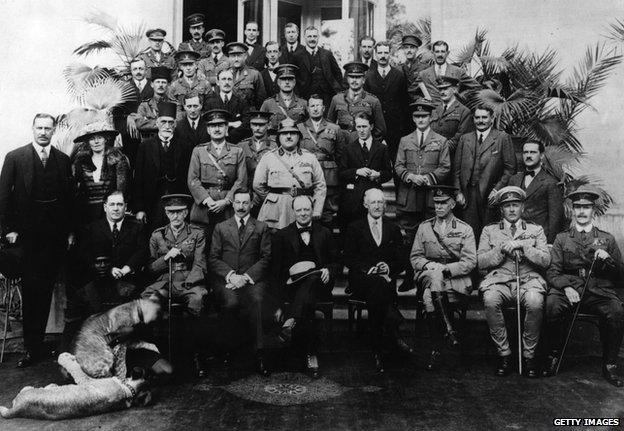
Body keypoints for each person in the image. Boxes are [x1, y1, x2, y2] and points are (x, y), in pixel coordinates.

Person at [0, 114, 75, 367]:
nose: (43, 132)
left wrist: (69, 232)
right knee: (32, 291)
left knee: (48, 291)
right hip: (27, 237)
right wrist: (8, 230)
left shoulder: (63, 160)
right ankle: (32, 348)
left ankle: (42, 344)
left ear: (54, 131)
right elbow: (3, 198)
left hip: (54, 238)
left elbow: (68, 200)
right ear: (32, 129)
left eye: (48, 128)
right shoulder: (15, 157)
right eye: (39, 128)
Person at [543, 185, 624, 386]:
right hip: (569, 287)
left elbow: (621, 276)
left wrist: (608, 260)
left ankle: (610, 365)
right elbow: (553, 271)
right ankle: (553, 356)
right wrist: (565, 287)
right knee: (552, 304)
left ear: (593, 211)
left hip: (598, 289)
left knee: (616, 311)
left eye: (586, 207)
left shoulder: (607, 238)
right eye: (577, 207)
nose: (581, 211)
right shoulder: (562, 238)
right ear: (572, 210)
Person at [477, 186, 550, 378]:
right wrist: (501, 250)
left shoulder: (536, 230)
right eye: (507, 206)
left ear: (522, 208)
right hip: (499, 281)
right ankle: (504, 354)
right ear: (501, 209)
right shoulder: (489, 231)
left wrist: (523, 246)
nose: (511, 209)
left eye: (515, 205)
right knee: (491, 299)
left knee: (535, 301)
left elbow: (545, 260)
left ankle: (529, 356)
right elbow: (480, 262)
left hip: (527, 280)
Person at [64, 191, 147, 348]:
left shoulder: (137, 228)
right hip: (101, 281)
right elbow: (86, 255)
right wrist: (109, 269)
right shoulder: (92, 228)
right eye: (112, 204)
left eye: (119, 204)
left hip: (128, 280)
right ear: (105, 207)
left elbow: (142, 251)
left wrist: (126, 268)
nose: (116, 209)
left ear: (125, 207)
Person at [271, 195, 339, 378]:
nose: (302, 213)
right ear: (293, 211)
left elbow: (335, 262)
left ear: (312, 210)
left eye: (306, 209)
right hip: (292, 285)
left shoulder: (325, 232)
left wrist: (328, 270)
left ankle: (291, 319)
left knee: (313, 277)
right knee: (307, 297)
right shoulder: (282, 235)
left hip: (320, 284)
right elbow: (276, 272)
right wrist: (278, 302)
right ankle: (311, 354)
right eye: (299, 210)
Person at [343, 188, 411, 372]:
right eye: (373, 202)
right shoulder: (354, 227)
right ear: (366, 205)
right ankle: (393, 332)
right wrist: (367, 269)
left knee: (380, 287)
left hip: (384, 280)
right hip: (361, 280)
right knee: (378, 285)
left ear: (385, 205)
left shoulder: (393, 228)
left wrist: (388, 267)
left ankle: (377, 349)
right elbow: (348, 258)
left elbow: (401, 260)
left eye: (381, 202)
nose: (377, 206)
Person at [410, 185, 476, 371]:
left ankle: (436, 349)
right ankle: (449, 331)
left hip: (455, 279)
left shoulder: (465, 229)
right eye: (436, 203)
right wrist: (431, 266)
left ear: (453, 204)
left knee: (428, 297)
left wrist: (445, 269)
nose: (438, 207)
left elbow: (470, 261)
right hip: (427, 274)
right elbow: (415, 257)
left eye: (443, 203)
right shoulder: (424, 227)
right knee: (434, 275)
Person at [141, 194, 207, 377]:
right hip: (164, 280)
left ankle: (196, 356)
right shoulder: (157, 235)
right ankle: (154, 358)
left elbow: (200, 263)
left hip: (189, 280)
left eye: (179, 212)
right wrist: (166, 258)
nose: (175, 217)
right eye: (171, 213)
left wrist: (189, 282)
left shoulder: (197, 233)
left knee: (198, 300)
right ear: (166, 213)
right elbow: (150, 268)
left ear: (186, 213)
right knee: (146, 300)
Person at [208, 190, 272, 376]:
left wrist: (245, 278)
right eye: (238, 202)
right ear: (233, 204)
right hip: (227, 280)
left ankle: (259, 355)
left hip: (252, 280)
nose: (242, 206)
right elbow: (213, 258)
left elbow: (266, 258)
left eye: (245, 203)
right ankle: (230, 355)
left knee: (258, 301)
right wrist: (231, 276)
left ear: (251, 204)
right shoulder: (221, 227)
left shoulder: (261, 227)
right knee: (231, 303)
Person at [395, 99, 451, 292]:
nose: (421, 119)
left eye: (424, 116)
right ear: (413, 118)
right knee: (409, 238)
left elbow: (445, 167)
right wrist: (410, 176)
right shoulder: (405, 140)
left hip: (429, 196)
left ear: (431, 117)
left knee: (429, 236)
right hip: (410, 196)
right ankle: (410, 276)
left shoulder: (440, 141)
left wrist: (428, 178)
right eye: (417, 116)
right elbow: (398, 166)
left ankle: (427, 277)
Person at [454, 105, 517, 239]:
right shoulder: (465, 139)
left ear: (492, 119)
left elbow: (510, 169)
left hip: (490, 195)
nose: (480, 121)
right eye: (477, 117)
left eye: (484, 117)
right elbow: (457, 169)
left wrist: (497, 190)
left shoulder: (502, 138)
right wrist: (458, 192)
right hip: (468, 195)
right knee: (469, 235)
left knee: (490, 235)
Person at [253, 118, 326, 230]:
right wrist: (273, 199)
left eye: (292, 133)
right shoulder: (268, 157)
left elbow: (320, 185)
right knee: (276, 241)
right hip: (277, 210)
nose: (288, 136)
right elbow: (258, 184)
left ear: (298, 137)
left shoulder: (310, 157)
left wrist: (316, 209)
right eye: (284, 133)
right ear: (278, 137)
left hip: (303, 207)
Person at [187, 109, 247, 240]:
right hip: (203, 208)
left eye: (221, 125)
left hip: (228, 207)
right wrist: (207, 201)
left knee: (228, 243)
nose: (217, 129)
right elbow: (193, 180)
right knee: (202, 243)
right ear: (208, 130)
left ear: (227, 128)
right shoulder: (199, 151)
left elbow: (241, 181)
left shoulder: (237, 151)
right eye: (213, 126)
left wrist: (226, 201)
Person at [337, 112, 392, 232]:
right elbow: (341, 173)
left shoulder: (382, 148)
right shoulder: (348, 149)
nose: (361, 130)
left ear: (371, 126)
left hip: (374, 198)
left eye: (364, 126)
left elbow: (388, 173)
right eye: (358, 127)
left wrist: (378, 175)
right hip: (353, 200)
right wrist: (357, 171)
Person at [297, 94, 346, 226]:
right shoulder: (300, 128)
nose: (315, 109)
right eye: (312, 106)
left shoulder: (335, 129)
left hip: (328, 176)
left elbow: (341, 155)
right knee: (305, 210)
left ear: (323, 108)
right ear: (307, 109)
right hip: (306, 176)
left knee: (327, 214)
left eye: (318, 105)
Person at [72, 122, 130, 227]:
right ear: (88, 142)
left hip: (110, 212)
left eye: (99, 137)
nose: (96, 141)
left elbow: (122, 189)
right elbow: (75, 189)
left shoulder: (118, 159)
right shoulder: (80, 161)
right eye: (92, 139)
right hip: (86, 213)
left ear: (106, 139)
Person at [133, 101, 178, 233]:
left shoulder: (184, 145)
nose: (167, 126)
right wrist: (139, 208)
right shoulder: (145, 146)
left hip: (175, 203)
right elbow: (138, 179)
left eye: (171, 122)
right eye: (163, 122)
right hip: (151, 202)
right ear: (157, 123)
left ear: (175, 124)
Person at [507, 141, 564, 243]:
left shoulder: (551, 183)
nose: (528, 155)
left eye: (533, 152)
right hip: (513, 238)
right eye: (525, 152)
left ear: (541, 155)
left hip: (538, 240)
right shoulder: (514, 180)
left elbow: (555, 219)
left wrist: (550, 243)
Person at [364, 41, 409, 162]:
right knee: (374, 160)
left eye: (385, 52)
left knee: (398, 161)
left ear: (390, 54)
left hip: (396, 127)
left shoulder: (399, 75)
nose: (383, 56)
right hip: (375, 128)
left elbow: (405, 103)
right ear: (375, 55)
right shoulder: (369, 76)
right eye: (380, 53)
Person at [327, 62, 386, 141]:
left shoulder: (373, 101)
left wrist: (369, 146)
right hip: (342, 147)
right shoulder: (337, 99)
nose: (354, 80)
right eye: (351, 77)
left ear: (364, 80)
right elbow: (330, 125)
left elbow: (380, 130)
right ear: (347, 79)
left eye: (358, 77)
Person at [113, 58, 153, 166]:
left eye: (141, 68)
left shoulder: (153, 85)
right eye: (135, 69)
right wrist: (127, 118)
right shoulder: (123, 87)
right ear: (131, 71)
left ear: (146, 70)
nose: (138, 71)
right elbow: (116, 113)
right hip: (130, 134)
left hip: (150, 133)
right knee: (131, 164)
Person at [292, 26, 344, 107]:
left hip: (327, 96)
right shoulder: (297, 56)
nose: (312, 39)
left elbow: (337, 73)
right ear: (304, 38)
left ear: (318, 37)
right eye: (309, 36)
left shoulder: (327, 54)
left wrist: (338, 91)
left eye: (315, 36)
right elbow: (294, 77)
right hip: (306, 97)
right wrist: (298, 96)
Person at [238, 111, 278, 207]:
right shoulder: (241, 146)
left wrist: (263, 194)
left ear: (268, 126)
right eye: (254, 125)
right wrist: (250, 194)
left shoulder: (275, 146)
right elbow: (239, 175)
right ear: (250, 126)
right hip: (247, 196)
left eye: (261, 125)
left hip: (267, 194)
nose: (257, 128)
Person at [204, 69, 251, 143]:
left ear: (233, 82)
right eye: (223, 79)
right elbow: (206, 125)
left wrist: (228, 135)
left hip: (236, 143)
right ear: (217, 82)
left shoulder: (242, 101)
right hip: (215, 143)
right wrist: (231, 124)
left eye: (229, 79)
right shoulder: (210, 102)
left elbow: (246, 125)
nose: (226, 82)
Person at [430, 76, 473, 154]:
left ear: (454, 89)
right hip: (432, 156)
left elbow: (460, 138)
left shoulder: (464, 111)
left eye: (446, 88)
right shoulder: (434, 110)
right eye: (440, 89)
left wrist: (440, 148)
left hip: (452, 157)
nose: (442, 92)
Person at [260, 64, 308, 134]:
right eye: (283, 79)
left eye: (290, 79)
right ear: (278, 82)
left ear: (294, 82)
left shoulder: (303, 103)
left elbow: (310, 127)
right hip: (274, 142)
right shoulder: (268, 103)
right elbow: (260, 126)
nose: (287, 82)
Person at [168, 50, 213, 121]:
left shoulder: (205, 84)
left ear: (196, 65)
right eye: (185, 65)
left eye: (191, 64)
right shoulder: (174, 86)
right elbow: (175, 110)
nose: (188, 68)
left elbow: (209, 108)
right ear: (180, 67)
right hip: (181, 122)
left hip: (202, 121)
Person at [132, 66, 175, 140]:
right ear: (152, 84)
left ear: (168, 85)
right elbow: (139, 124)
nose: (160, 85)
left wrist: (150, 123)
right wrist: (166, 124)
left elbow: (178, 123)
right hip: (149, 143)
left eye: (164, 82)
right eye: (158, 82)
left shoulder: (174, 104)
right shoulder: (144, 105)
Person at [228, 42, 267, 110]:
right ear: (229, 57)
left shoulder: (254, 74)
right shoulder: (225, 74)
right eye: (233, 56)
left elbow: (261, 100)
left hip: (249, 115)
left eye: (239, 55)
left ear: (245, 56)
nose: (236, 59)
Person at [400, 34, 429, 103]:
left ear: (417, 49)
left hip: (420, 105)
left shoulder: (425, 67)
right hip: (402, 105)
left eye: (412, 47)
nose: (409, 50)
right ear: (403, 49)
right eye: (406, 48)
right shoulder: (398, 68)